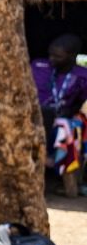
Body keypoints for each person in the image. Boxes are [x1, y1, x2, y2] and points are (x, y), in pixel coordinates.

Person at [32, 33, 87, 161]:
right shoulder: (38, 67)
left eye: (58, 56)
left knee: (66, 128)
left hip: (61, 118)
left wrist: (71, 111)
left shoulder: (82, 76)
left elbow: (82, 103)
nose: (51, 59)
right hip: (34, 114)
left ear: (72, 57)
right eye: (50, 54)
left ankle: (60, 167)